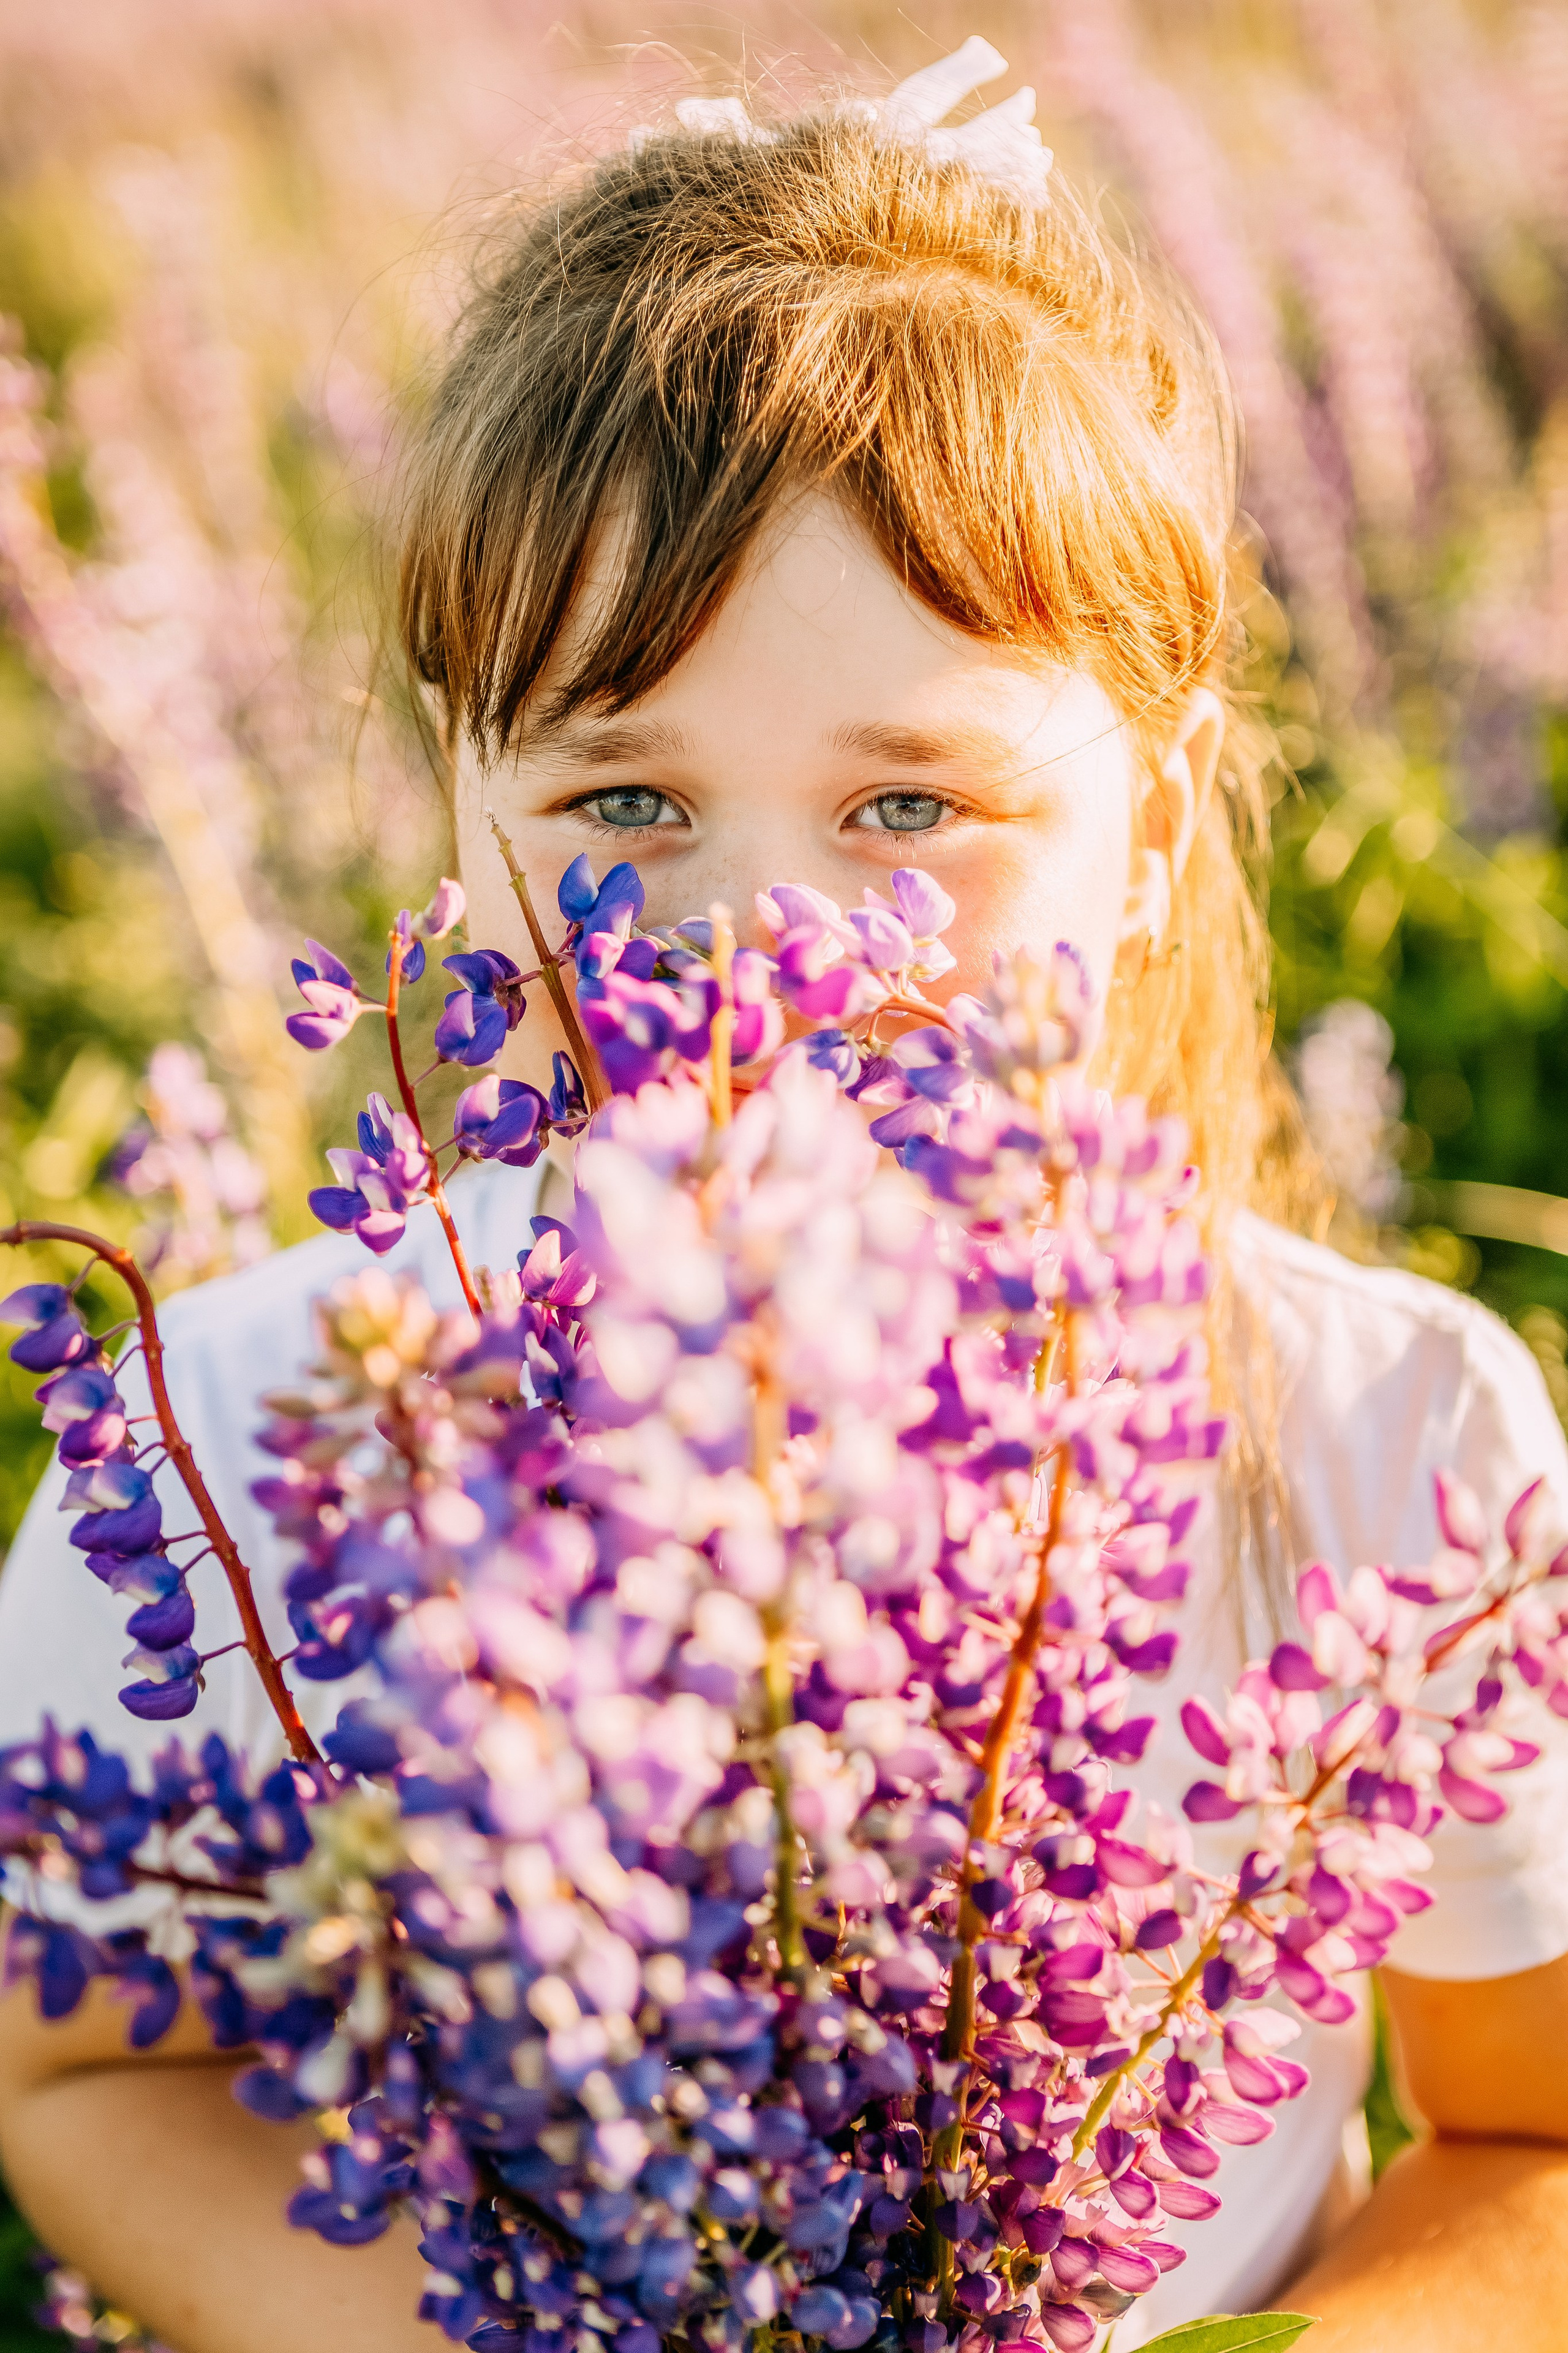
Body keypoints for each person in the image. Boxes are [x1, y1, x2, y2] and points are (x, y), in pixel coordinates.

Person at [2, 41, 1568, 2353]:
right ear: (459, 808)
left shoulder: (1377, 1433)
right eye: (624, 803)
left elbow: (1524, 2130)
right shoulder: (253, 1428)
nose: (753, 955)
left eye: (911, 807)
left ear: (1153, 839)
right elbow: (86, 2067)